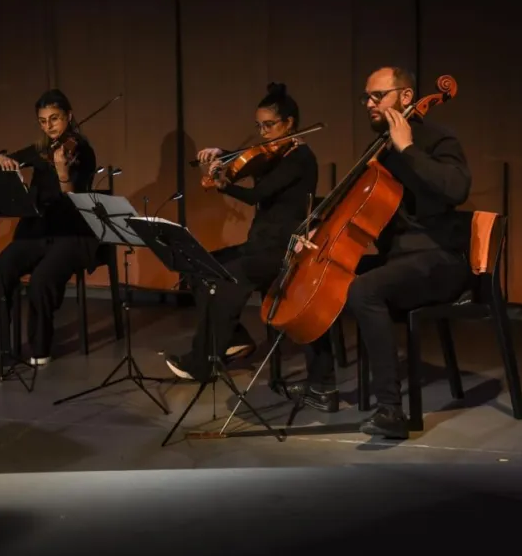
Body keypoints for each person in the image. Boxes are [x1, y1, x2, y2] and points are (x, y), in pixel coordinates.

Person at [291, 67, 472, 439]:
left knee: (364, 290)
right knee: (320, 274)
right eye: (367, 98)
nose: (370, 105)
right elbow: (349, 205)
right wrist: (316, 228)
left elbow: (456, 189)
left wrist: (407, 147)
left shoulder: (436, 138)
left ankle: (391, 410)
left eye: (379, 96)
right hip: (399, 259)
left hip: (439, 258)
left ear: (406, 97)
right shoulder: (378, 150)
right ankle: (322, 385)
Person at [164, 83, 327, 386]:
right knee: (201, 268)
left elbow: (258, 194)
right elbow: (253, 159)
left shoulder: (300, 158)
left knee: (228, 278)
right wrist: (222, 155)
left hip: (282, 249)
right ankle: (234, 339)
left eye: (269, 125)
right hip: (260, 243)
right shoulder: (274, 154)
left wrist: (226, 186)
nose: (263, 133)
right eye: (259, 126)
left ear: (289, 123)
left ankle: (202, 363)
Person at [0, 88, 98, 373]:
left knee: (41, 279)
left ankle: (40, 345)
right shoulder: (40, 150)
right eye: (43, 120)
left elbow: (73, 197)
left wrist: (62, 172)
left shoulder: (81, 150)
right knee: (0, 271)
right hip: (36, 230)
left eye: (55, 119)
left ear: (69, 117)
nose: (49, 126)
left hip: (72, 232)